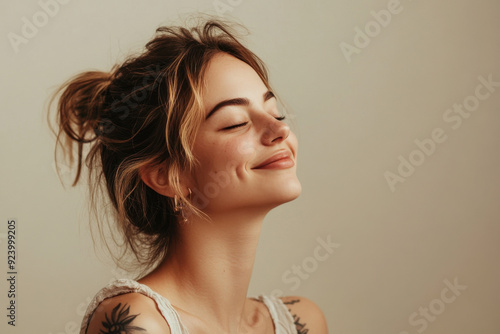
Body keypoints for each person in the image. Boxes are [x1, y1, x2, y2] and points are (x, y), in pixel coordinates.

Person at [50, 19, 328, 334]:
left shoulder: (302, 322)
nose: (280, 129)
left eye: (275, 112)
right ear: (167, 176)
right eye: (235, 122)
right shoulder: (141, 323)